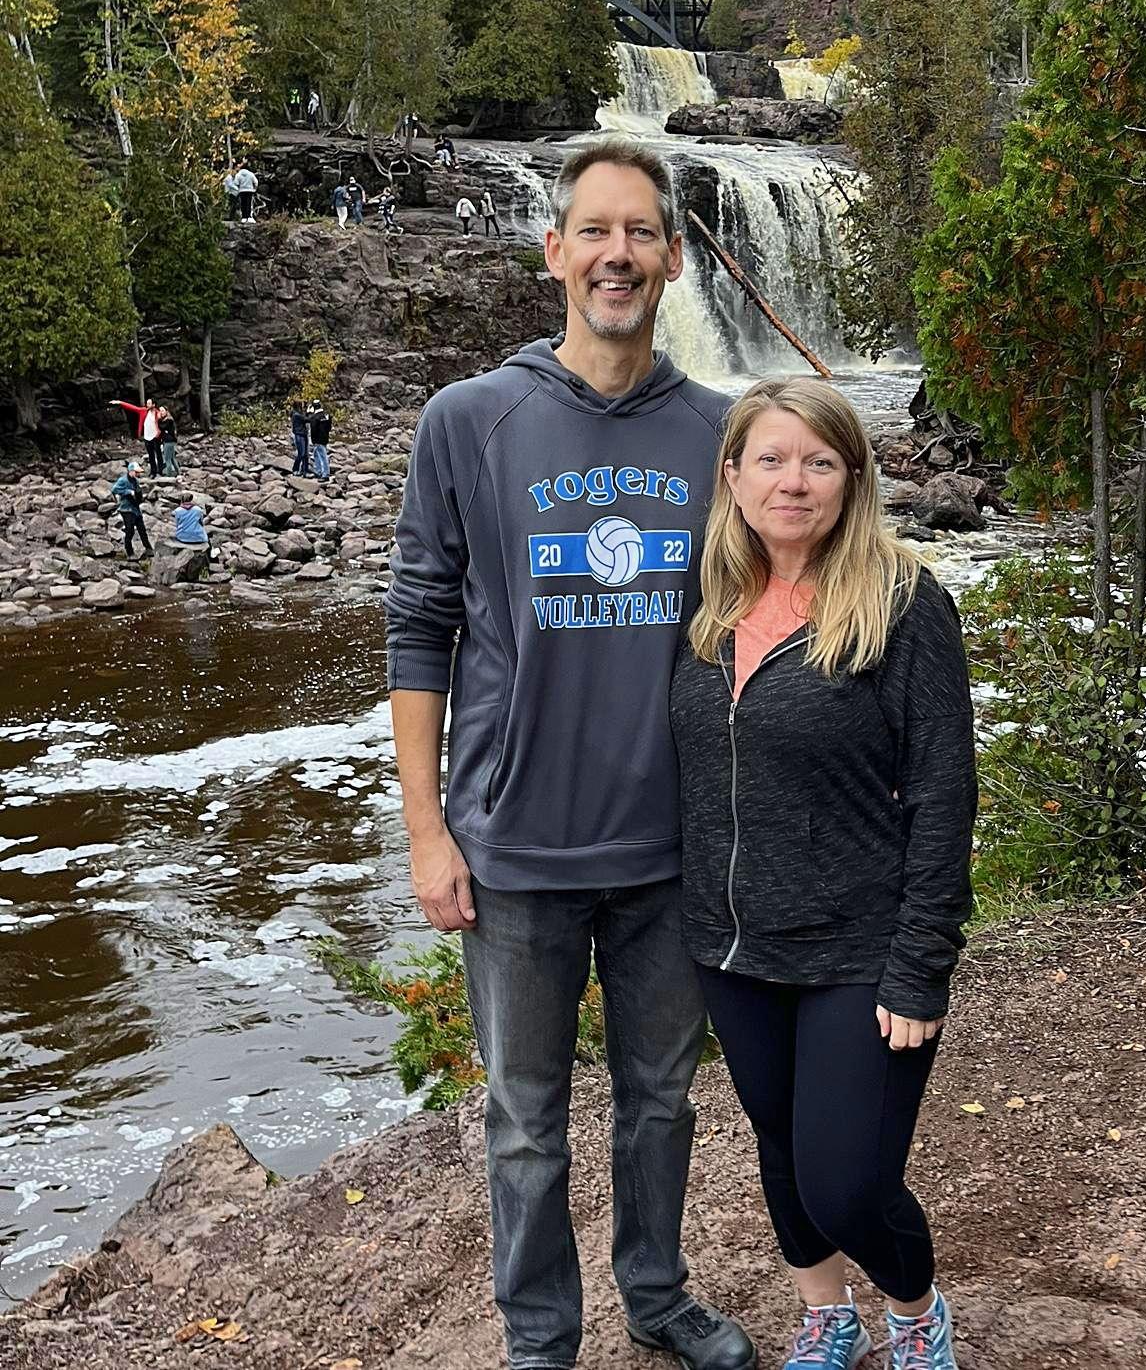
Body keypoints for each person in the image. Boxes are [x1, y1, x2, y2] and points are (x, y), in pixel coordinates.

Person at [383, 137, 754, 1370]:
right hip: (516, 850)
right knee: (525, 1124)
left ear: (674, 259)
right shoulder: (470, 421)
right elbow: (419, 627)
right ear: (553, 253)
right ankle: (540, 1340)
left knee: (661, 1104)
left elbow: (776, 609)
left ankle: (656, 1296)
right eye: (594, 231)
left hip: (672, 848)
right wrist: (429, 832)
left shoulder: (720, 433)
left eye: (641, 233)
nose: (617, 254)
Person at [670, 379, 977, 1370]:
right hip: (731, 945)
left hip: (858, 946)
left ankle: (915, 1310)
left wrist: (919, 963)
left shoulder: (903, 602)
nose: (791, 481)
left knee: (848, 1181)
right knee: (784, 1154)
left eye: (818, 461)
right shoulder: (702, 601)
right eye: (770, 459)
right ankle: (825, 1315)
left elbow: (943, 793)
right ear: (733, 476)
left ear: (853, 477)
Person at [109, 396, 163, 477]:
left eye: (149, 403)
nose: (147, 405)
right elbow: (132, 407)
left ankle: (161, 470)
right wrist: (120, 402)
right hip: (147, 437)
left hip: (156, 437)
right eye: (147, 403)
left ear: (153, 405)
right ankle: (153, 472)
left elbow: (164, 421)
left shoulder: (157, 413)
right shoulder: (143, 411)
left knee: (158, 454)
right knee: (151, 455)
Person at [111, 460, 152, 559]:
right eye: (136, 472)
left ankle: (148, 549)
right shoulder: (123, 480)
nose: (138, 474)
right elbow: (114, 489)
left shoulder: (136, 481)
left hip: (135, 508)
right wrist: (128, 492)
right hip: (126, 509)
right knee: (130, 530)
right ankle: (129, 552)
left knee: (142, 529)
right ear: (131, 471)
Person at [308, 401, 332, 480]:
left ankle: (325, 474)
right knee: (317, 455)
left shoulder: (314, 417)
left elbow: (313, 430)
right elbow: (329, 427)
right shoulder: (326, 415)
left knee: (322, 456)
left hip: (317, 439)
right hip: (325, 437)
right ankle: (318, 471)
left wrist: (313, 440)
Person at [290, 400, 310, 477]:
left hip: (303, 434)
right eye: (301, 405)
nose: (302, 406)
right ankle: (295, 469)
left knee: (305, 454)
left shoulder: (298, 413)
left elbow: (304, 418)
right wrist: (309, 412)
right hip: (299, 435)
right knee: (301, 454)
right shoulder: (296, 414)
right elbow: (306, 419)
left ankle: (305, 471)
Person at [158, 404, 178, 477]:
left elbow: (162, 427)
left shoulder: (169, 420)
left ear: (166, 411)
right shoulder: (166, 420)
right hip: (170, 441)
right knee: (172, 458)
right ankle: (179, 472)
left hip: (168, 442)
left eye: (162, 411)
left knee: (167, 459)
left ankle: (169, 476)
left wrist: (158, 421)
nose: (161, 412)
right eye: (160, 411)